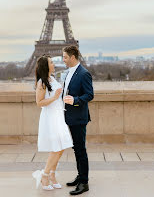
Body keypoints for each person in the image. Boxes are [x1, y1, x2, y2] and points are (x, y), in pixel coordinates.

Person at [32, 54, 73, 191]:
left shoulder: (52, 79)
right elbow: (39, 103)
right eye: (51, 62)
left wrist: (62, 98)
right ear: (46, 66)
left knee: (60, 148)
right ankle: (44, 175)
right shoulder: (42, 83)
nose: (54, 64)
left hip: (58, 116)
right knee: (56, 148)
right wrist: (55, 97)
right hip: (50, 118)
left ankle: (52, 175)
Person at [62, 45, 94, 195]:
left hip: (79, 118)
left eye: (65, 57)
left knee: (80, 150)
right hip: (70, 116)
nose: (63, 60)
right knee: (76, 149)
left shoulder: (83, 73)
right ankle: (80, 176)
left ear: (72, 57)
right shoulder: (69, 72)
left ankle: (84, 182)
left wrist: (74, 100)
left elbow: (89, 95)